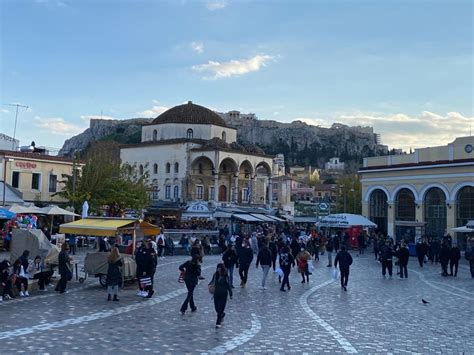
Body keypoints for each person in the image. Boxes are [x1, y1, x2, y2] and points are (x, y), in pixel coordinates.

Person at [211, 263, 233, 328]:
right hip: (216, 293)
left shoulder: (225, 276)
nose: (219, 269)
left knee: (220, 308)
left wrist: (230, 293)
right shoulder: (215, 275)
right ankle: (222, 315)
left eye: (220, 268)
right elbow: (212, 282)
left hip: (223, 294)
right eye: (218, 268)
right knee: (216, 308)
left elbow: (228, 285)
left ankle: (218, 322)